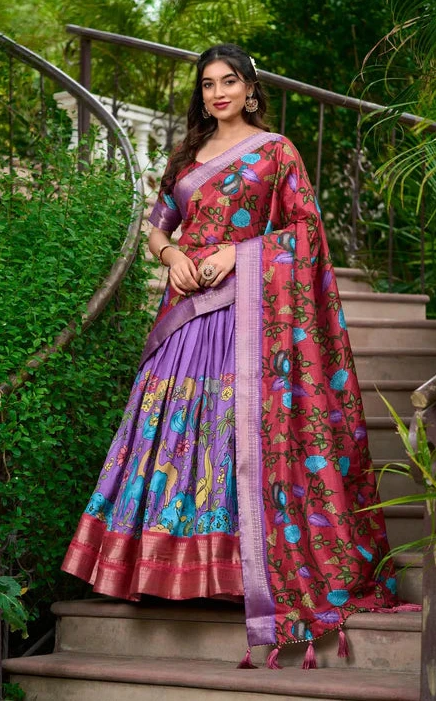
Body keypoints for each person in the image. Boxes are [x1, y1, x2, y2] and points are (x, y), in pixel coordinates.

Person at [62, 43, 399, 667]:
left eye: (229, 81)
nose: (218, 93)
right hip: (187, 312)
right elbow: (157, 224)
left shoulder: (276, 151)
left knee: (234, 432)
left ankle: (240, 574)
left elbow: (306, 231)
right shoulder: (186, 156)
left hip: (249, 314)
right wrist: (172, 255)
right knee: (174, 432)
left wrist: (238, 253)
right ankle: (163, 570)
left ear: (250, 88)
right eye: (208, 84)